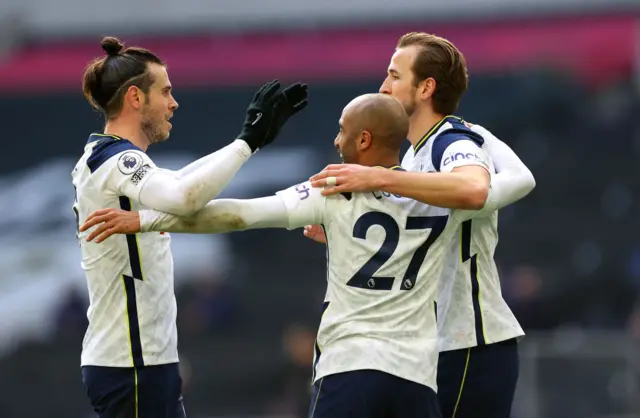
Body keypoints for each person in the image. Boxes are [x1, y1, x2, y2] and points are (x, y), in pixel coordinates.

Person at [79, 93, 493, 418]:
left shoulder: (332, 188)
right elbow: (495, 188)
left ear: (363, 139)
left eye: (342, 131)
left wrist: (147, 220)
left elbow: (240, 214)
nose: (336, 140)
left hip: (349, 368)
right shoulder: (441, 197)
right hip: (416, 376)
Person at [72, 35, 308, 418]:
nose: (173, 102)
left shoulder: (107, 157)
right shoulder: (117, 161)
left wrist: (250, 142)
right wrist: (246, 143)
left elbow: (181, 182)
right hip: (131, 363)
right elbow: (184, 197)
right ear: (135, 98)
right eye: (165, 91)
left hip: (140, 362)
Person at [307, 32, 535, 418]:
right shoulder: (412, 156)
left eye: (395, 75)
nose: (383, 86)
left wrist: (378, 179)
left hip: (469, 344)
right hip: (428, 346)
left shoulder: (452, 141)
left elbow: (473, 189)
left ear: (426, 87)